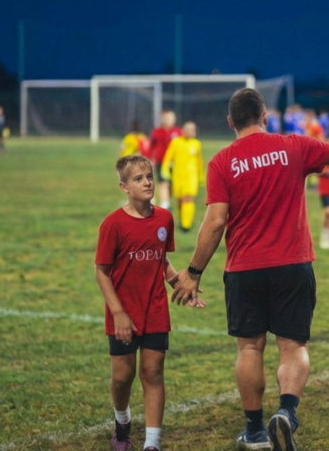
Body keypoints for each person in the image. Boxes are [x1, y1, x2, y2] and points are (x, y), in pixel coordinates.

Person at [171, 88, 329, 451]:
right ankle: (287, 413)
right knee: (293, 345)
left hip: (244, 268)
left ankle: (255, 431)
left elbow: (214, 221)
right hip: (292, 264)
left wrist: (193, 272)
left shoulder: (222, 162)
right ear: (265, 117)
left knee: (249, 349)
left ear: (230, 123)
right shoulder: (294, 145)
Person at [96, 154, 205, 451]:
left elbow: (160, 259)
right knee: (122, 377)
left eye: (149, 176)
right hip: (123, 310)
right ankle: (122, 421)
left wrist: (179, 284)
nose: (146, 182)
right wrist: (117, 312)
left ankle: (152, 443)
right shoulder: (113, 224)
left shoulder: (165, 219)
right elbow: (102, 272)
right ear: (124, 187)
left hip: (155, 307)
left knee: (153, 372)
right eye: (138, 179)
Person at [160, 121, 204, 232]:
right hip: (178, 175)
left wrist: (201, 176)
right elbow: (168, 158)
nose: (193, 132)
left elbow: (199, 162)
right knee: (180, 200)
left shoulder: (196, 144)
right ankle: (181, 221)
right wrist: (165, 171)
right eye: (190, 129)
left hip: (191, 176)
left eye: (194, 129)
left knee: (188, 198)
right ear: (184, 131)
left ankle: (186, 225)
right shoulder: (176, 143)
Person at [148, 110, 182, 209]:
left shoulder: (178, 132)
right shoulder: (157, 131)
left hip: (175, 162)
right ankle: (164, 205)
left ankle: (168, 200)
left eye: (170, 118)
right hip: (161, 161)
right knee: (163, 183)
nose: (168, 120)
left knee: (171, 185)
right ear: (162, 119)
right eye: (166, 118)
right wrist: (151, 159)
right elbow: (151, 146)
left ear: (174, 119)